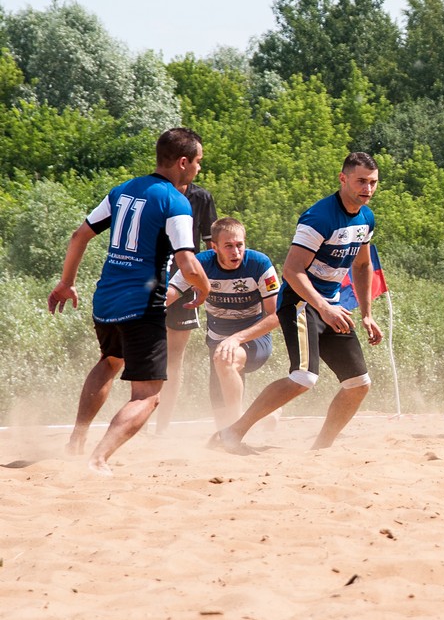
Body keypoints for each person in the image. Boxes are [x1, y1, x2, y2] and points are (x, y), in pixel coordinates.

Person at [48, 127, 211, 475]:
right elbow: (187, 262)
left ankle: (76, 441)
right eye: (197, 162)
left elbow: (79, 235)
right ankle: (98, 458)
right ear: (183, 162)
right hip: (143, 305)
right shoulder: (176, 202)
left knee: (110, 361)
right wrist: (205, 287)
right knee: (149, 395)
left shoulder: (122, 191)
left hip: (105, 300)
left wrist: (66, 284)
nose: (198, 169)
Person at [211, 152, 384, 453]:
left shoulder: (366, 217)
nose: (367, 189)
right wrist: (323, 307)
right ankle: (232, 433)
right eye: (360, 181)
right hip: (302, 304)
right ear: (343, 179)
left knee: (359, 384)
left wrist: (367, 314)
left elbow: (362, 266)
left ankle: (320, 450)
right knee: (304, 378)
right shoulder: (319, 218)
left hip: (331, 306)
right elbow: (291, 270)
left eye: (372, 183)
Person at [166, 216, 280, 429]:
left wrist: (237, 339)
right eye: (228, 246)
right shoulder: (200, 264)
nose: (236, 252)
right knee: (221, 412)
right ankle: (264, 415)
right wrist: (144, 313)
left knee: (226, 361)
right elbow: (171, 292)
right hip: (217, 340)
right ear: (215, 247)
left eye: (239, 245)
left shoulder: (259, 264)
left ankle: (237, 430)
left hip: (254, 339)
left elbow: (275, 315)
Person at [156, 181, 217, 434]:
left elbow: (213, 247)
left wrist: (210, 286)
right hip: (148, 278)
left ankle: (161, 427)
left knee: (174, 358)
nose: (199, 167)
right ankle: (137, 416)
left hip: (185, 281)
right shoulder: (154, 193)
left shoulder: (201, 196)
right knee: (141, 352)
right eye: (197, 161)